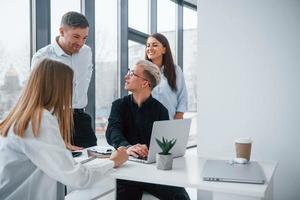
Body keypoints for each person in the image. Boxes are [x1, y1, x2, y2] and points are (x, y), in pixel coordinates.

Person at [0, 59, 128, 200]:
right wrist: (113, 162)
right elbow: (78, 178)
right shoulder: (40, 119)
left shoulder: (23, 116)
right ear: (58, 87)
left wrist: (57, 146)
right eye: (71, 85)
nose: (73, 91)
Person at [106, 59, 190, 200]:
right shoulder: (119, 105)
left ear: (145, 83)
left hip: (153, 170)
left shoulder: (161, 110)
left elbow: (165, 143)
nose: (126, 76)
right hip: (127, 169)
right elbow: (112, 131)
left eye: (132, 74)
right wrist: (127, 147)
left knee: (181, 196)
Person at [31, 11, 95, 149]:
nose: (80, 43)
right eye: (76, 36)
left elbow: (87, 74)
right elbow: (37, 95)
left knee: (95, 160)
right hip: (55, 119)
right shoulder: (42, 57)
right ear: (61, 31)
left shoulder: (86, 52)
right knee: (60, 165)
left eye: (84, 38)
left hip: (80, 117)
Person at [145, 33, 188, 119]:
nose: (150, 48)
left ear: (164, 49)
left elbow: (183, 97)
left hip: (170, 122)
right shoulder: (143, 72)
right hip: (147, 124)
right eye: (148, 45)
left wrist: (178, 118)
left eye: (155, 45)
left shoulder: (175, 70)